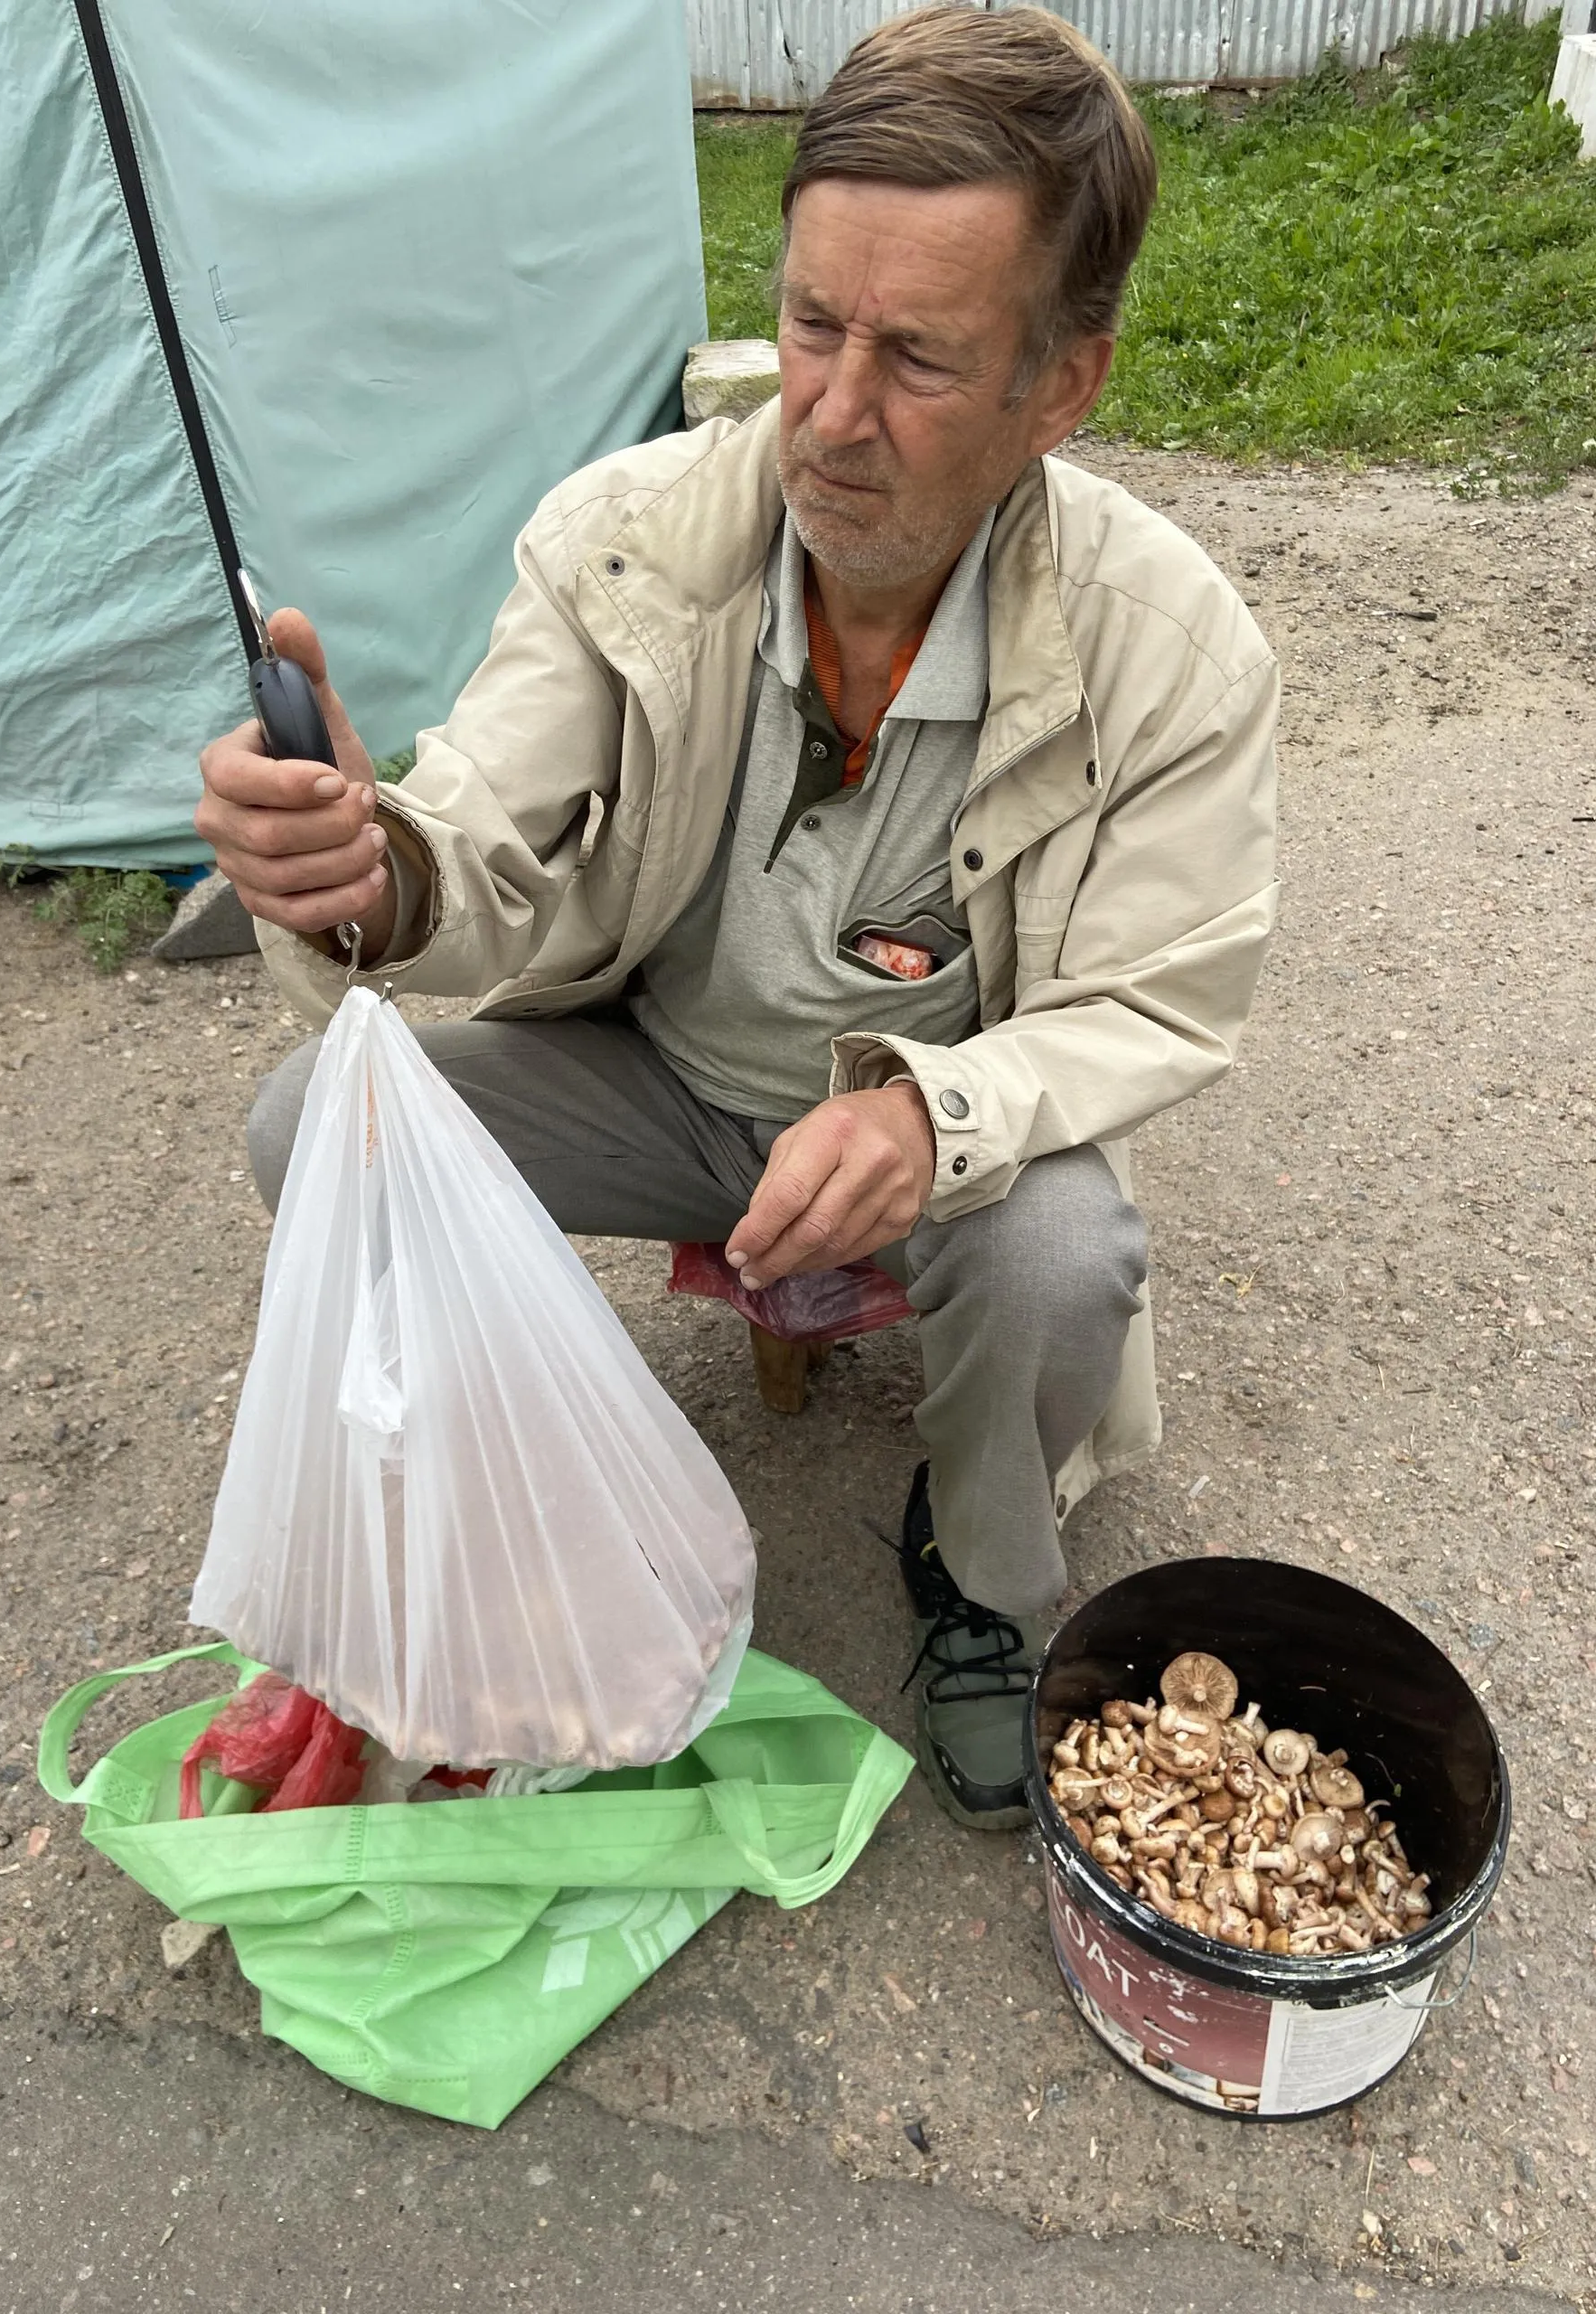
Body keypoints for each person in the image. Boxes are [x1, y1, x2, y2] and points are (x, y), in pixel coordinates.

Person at [195, 5, 1279, 1832]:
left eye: (922, 358)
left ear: (1062, 385)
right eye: (809, 325)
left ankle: (983, 1576)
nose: (832, 421)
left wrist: (930, 1115)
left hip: (927, 1146)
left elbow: (1157, 1002)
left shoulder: (1174, 649)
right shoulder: (626, 537)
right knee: (316, 1122)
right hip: (661, 1078)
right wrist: (369, 874)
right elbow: (481, 830)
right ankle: (512, 1503)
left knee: (1061, 1253)